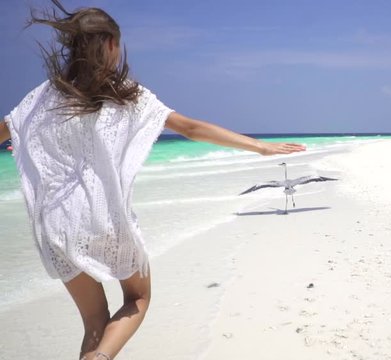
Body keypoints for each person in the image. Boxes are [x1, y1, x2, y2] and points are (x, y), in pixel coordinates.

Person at [0, 2, 305, 359]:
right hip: (103, 220)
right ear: (112, 44)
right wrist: (259, 146)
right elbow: (191, 128)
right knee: (138, 299)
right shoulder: (127, 94)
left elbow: (7, 130)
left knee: (95, 323)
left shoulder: (44, 96)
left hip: (55, 227)